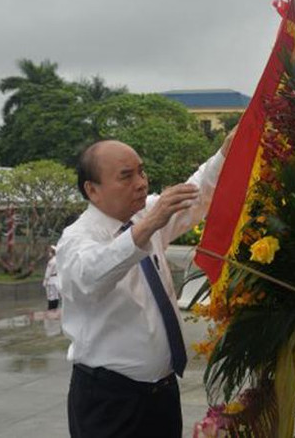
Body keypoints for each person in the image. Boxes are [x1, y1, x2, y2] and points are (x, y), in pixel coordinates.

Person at [58, 133, 233, 438]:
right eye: (126, 177)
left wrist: (225, 154)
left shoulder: (142, 216)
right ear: (92, 190)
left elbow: (197, 193)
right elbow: (93, 275)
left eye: (141, 171)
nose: (141, 183)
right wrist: (148, 226)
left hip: (161, 393)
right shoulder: (77, 239)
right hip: (110, 400)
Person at [42, 245, 60, 310]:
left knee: (50, 296)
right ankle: (55, 308)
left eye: (50, 252)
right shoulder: (58, 260)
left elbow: (48, 273)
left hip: (51, 280)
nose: (49, 253)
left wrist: (45, 281)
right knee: (56, 295)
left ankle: (51, 308)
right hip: (56, 279)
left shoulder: (51, 261)